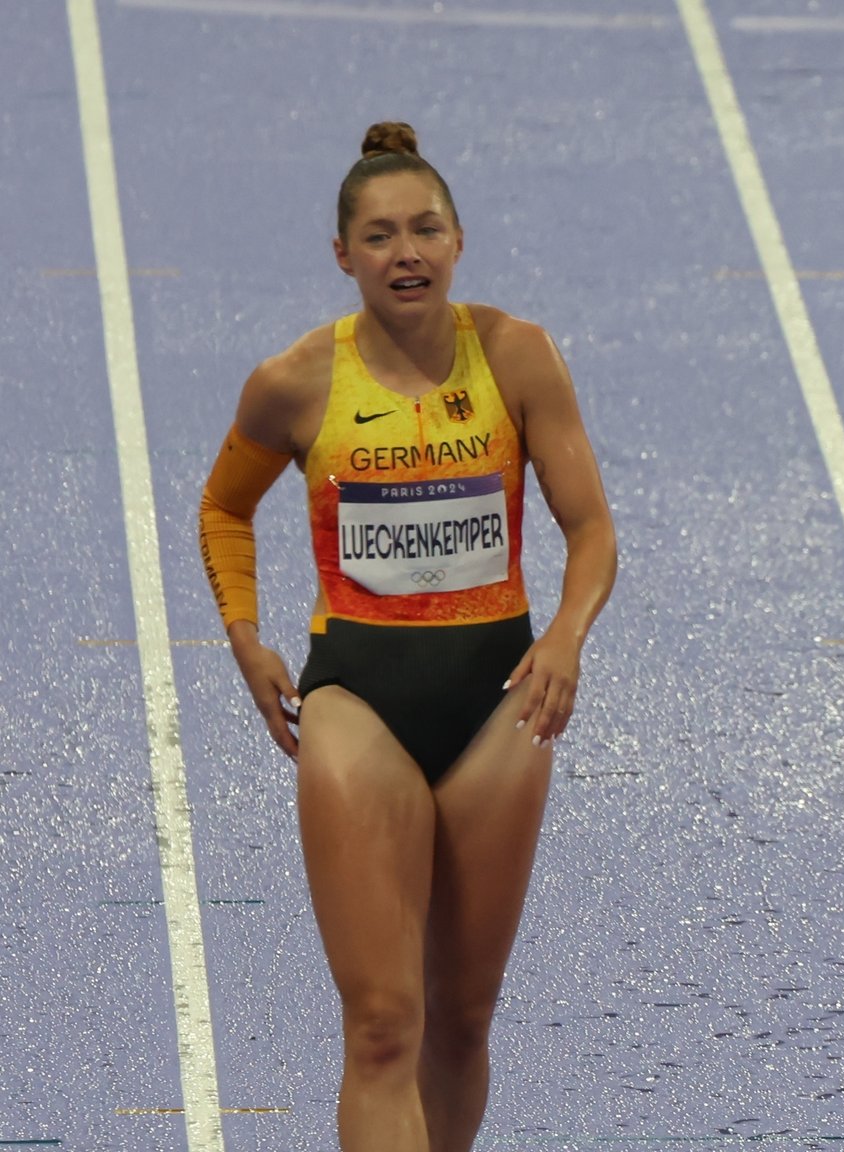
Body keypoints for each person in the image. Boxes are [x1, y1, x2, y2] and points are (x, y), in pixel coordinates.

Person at [196, 122, 617, 1151]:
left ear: (459, 240)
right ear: (343, 256)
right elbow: (223, 509)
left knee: (462, 1021)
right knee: (383, 1025)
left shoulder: (517, 357)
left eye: (425, 229)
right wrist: (245, 636)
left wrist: (564, 635)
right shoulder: (295, 383)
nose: (406, 252)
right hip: (359, 699)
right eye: (379, 236)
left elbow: (591, 528)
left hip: (499, 699)